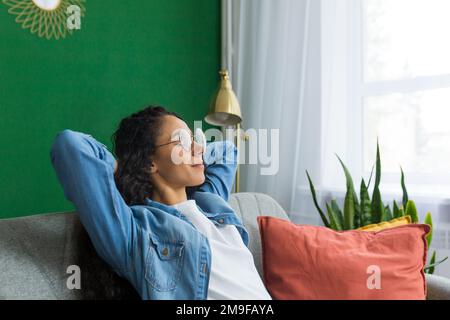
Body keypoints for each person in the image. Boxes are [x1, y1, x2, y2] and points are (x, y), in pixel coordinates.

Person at [50, 106, 272, 300]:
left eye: (195, 140)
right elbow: (70, 145)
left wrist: (188, 149)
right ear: (150, 162)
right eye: (182, 142)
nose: (199, 149)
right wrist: (128, 166)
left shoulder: (209, 203)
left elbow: (227, 152)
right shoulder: (135, 234)